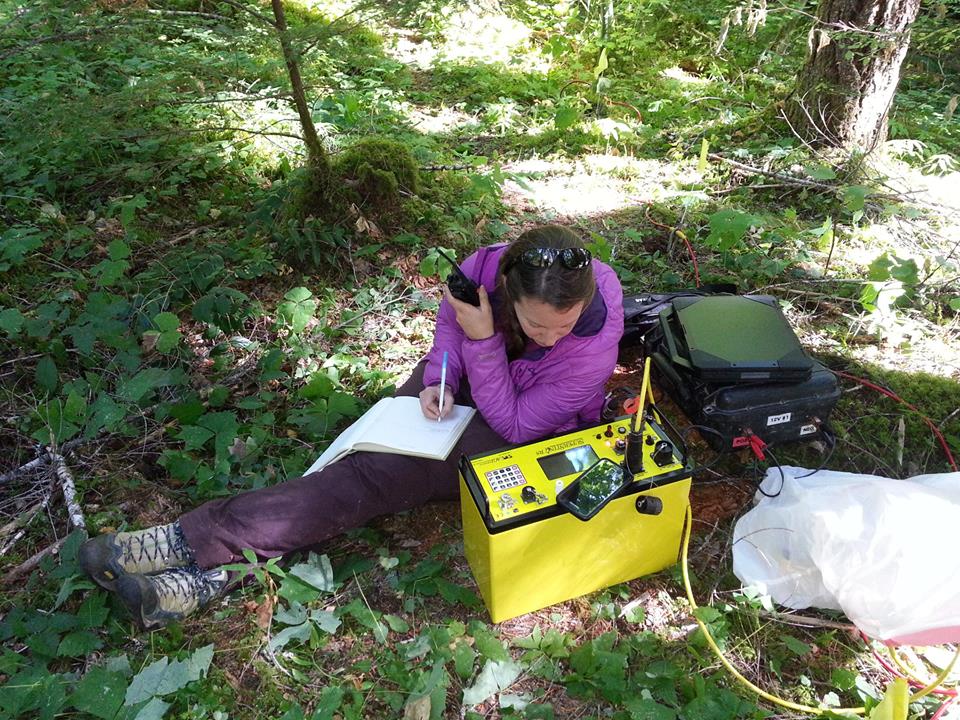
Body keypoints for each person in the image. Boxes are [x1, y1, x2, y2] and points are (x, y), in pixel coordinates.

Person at [79, 224, 625, 629]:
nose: (551, 337)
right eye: (535, 324)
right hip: (469, 391)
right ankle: (212, 575)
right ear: (505, 288)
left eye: (566, 323)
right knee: (364, 455)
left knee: (372, 477)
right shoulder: (485, 268)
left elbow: (514, 423)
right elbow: (448, 332)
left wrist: (483, 341)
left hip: (522, 429)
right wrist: (442, 378)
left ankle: (188, 544)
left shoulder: (592, 348)